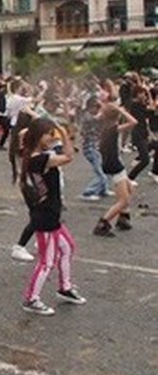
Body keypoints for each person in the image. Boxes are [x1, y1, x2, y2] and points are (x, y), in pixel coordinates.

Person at [20, 118, 86, 315]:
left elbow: (25, 134)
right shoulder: (38, 159)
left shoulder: (36, 154)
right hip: (45, 217)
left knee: (67, 248)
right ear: (39, 135)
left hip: (51, 213)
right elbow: (68, 156)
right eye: (49, 134)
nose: (52, 137)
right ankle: (31, 299)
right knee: (46, 261)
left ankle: (64, 288)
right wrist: (64, 133)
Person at [93, 104, 138, 237]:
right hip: (115, 166)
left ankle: (123, 217)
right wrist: (121, 110)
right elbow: (134, 122)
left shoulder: (106, 128)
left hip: (114, 164)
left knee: (130, 189)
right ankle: (103, 223)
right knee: (123, 200)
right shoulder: (113, 129)